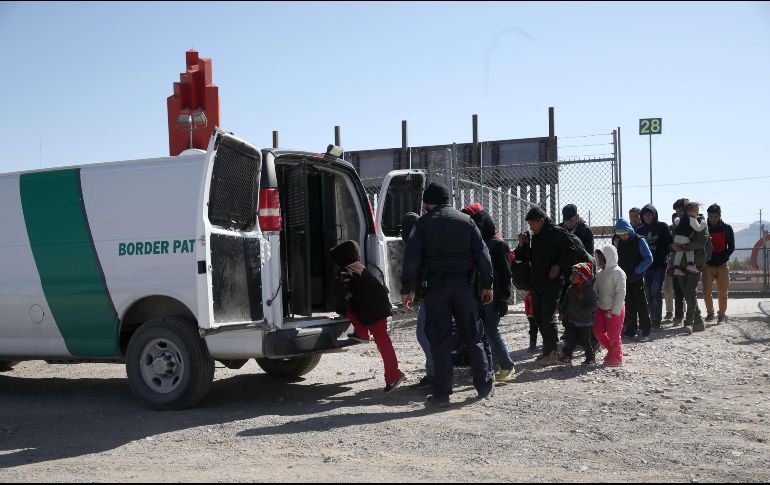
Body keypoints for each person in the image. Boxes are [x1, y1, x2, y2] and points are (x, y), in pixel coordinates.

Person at [402, 182, 494, 407]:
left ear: (427, 202)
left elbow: (411, 258)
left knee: (440, 340)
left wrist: (407, 289)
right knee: (473, 336)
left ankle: (442, 395)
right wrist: (487, 284)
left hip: (436, 290)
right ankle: (484, 386)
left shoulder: (423, 224)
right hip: (464, 287)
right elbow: (483, 255)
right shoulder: (467, 221)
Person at [331, 240, 405, 393]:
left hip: (371, 310)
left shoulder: (346, 269)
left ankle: (364, 334)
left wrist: (339, 304)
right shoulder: (360, 267)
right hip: (381, 306)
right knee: (384, 341)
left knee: (347, 309)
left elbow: (342, 290)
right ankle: (393, 374)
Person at [515, 206, 578, 366]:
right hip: (536, 283)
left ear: (541, 221)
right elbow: (528, 257)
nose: (531, 227)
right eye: (529, 225)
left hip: (552, 283)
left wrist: (558, 266)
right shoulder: (535, 236)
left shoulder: (557, 232)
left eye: (532, 224)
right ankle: (549, 350)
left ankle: (552, 352)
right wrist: (522, 244)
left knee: (548, 317)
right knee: (538, 316)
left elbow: (572, 252)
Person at [464, 205, 516, 382]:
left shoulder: (498, 244)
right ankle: (489, 369)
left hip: (494, 295)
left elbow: (505, 273)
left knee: (490, 330)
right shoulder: (480, 243)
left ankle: (507, 366)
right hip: (480, 294)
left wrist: (503, 298)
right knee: (483, 332)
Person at [400, 212, 434, 390]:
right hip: (435, 293)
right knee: (428, 334)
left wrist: (407, 292)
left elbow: (413, 269)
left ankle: (434, 374)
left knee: (423, 334)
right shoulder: (428, 238)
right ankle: (434, 373)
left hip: (432, 294)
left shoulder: (417, 243)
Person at [613, 218, 653, 341]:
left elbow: (648, 258)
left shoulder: (639, 240)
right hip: (624, 278)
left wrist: (638, 270)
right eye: (620, 234)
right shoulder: (618, 242)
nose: (623, 236)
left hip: (637, 278)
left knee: (641, 304)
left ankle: (645, 331)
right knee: (628, 305)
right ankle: (630, 330)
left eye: (624, 233)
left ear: (629, 230)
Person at [671, 207, 709, 334]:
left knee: (690, 293)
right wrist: (672, 246)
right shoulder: (680, 222)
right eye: (678, 212)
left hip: (695, 264)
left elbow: (701, 242)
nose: (680, 214)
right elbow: (671, 240)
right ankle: (698, 322)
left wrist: (683, 247)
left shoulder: (699, 221)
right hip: (681, 265)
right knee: (687, 294)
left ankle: (689, 323)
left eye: (681, 211)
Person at [637, 204, 673, 329]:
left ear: (654, 214)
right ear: (642, 216)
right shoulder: (640, 231)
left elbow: (667, 245)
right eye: (645, 214)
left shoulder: (662, 227)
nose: (647, 217)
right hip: (646, 268)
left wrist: (656, 257)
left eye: (650, 214)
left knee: (655, 291)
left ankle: (656, 321)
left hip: (659, 265)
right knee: (648, 292)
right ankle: (651, 318)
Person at [558, 262, 598, 366]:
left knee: (585, 342)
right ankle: (567, 356)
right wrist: (562, 312)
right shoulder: (571, 289)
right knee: (569, 339)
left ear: (582, 277)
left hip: (585, 322)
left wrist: (583, 312)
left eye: (575, 275)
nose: (571, 277)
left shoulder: (588, 290)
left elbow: (593, 305)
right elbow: (565, 302)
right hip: (572, 320)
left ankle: (590, 358)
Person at [593, 245, 627, 367]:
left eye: (603, 257)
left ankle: (617, 357)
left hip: (614, 309)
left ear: (610, 257)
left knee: (614, 335)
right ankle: (611, 350)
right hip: (601, 308)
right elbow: (595, 290)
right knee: (598, 331)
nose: (600, 260)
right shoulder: (600, 273)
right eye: (599, 257)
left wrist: (616, 310)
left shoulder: (618, 272)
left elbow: (621, 292)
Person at [703, 204, 735, 324]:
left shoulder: (727, 228)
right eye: (710, 216)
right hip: (708, 265)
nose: (713, 219)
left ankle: (721, 314)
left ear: (719, 216)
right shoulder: (704, 229)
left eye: (715, 216)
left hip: (722, 265)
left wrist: (723, 258)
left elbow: (731, 247)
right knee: (706, 291)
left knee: (723, 292)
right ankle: (710, 313)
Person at [672, 201, 707, 276]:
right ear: (689, 211)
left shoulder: (680, 219)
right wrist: (703, 224)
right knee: (690, 250)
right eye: (696, 211)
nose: (697, 213)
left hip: (677, 238)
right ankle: (690, 265)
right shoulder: (692, 219)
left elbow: (676, 221)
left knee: (679, 252)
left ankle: (676, 268)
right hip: (685, 238)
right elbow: (698, 228)